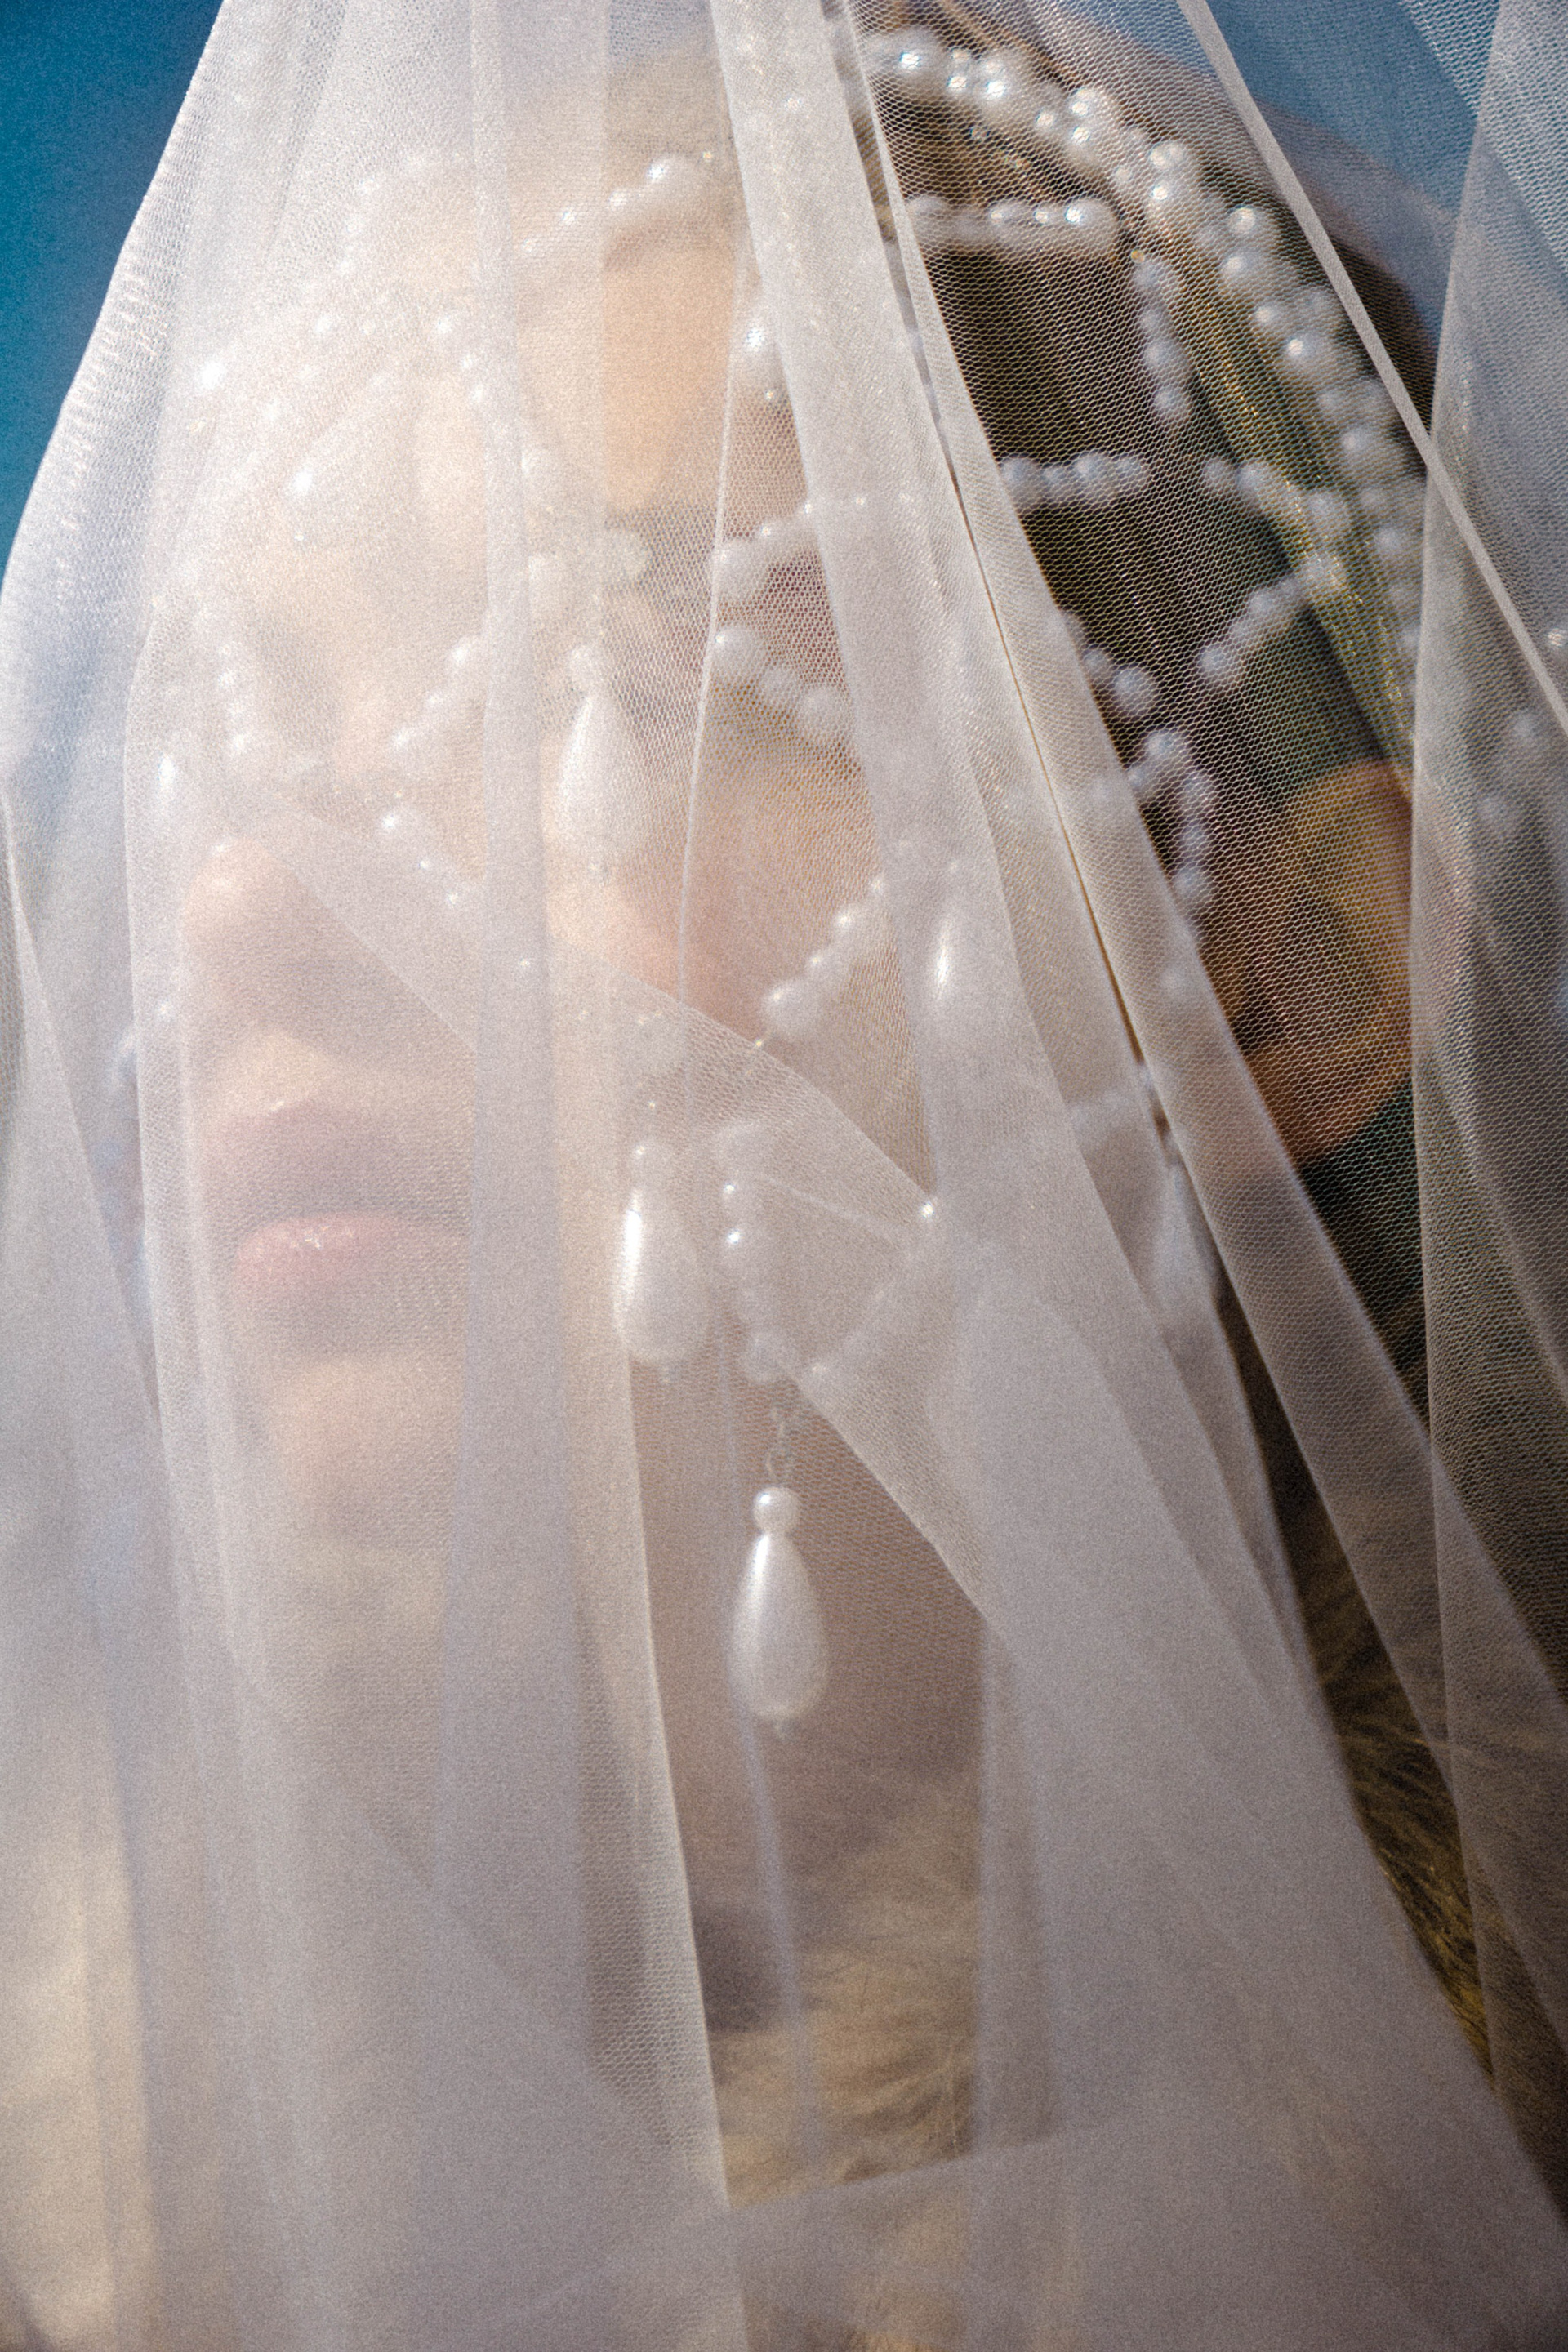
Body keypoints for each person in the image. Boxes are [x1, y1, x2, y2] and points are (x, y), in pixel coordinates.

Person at [0, 0, 1566, 2345]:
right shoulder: (106, 2174)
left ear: (1281, 974)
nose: (243, 909)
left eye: (611, 699)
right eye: (246, 731)